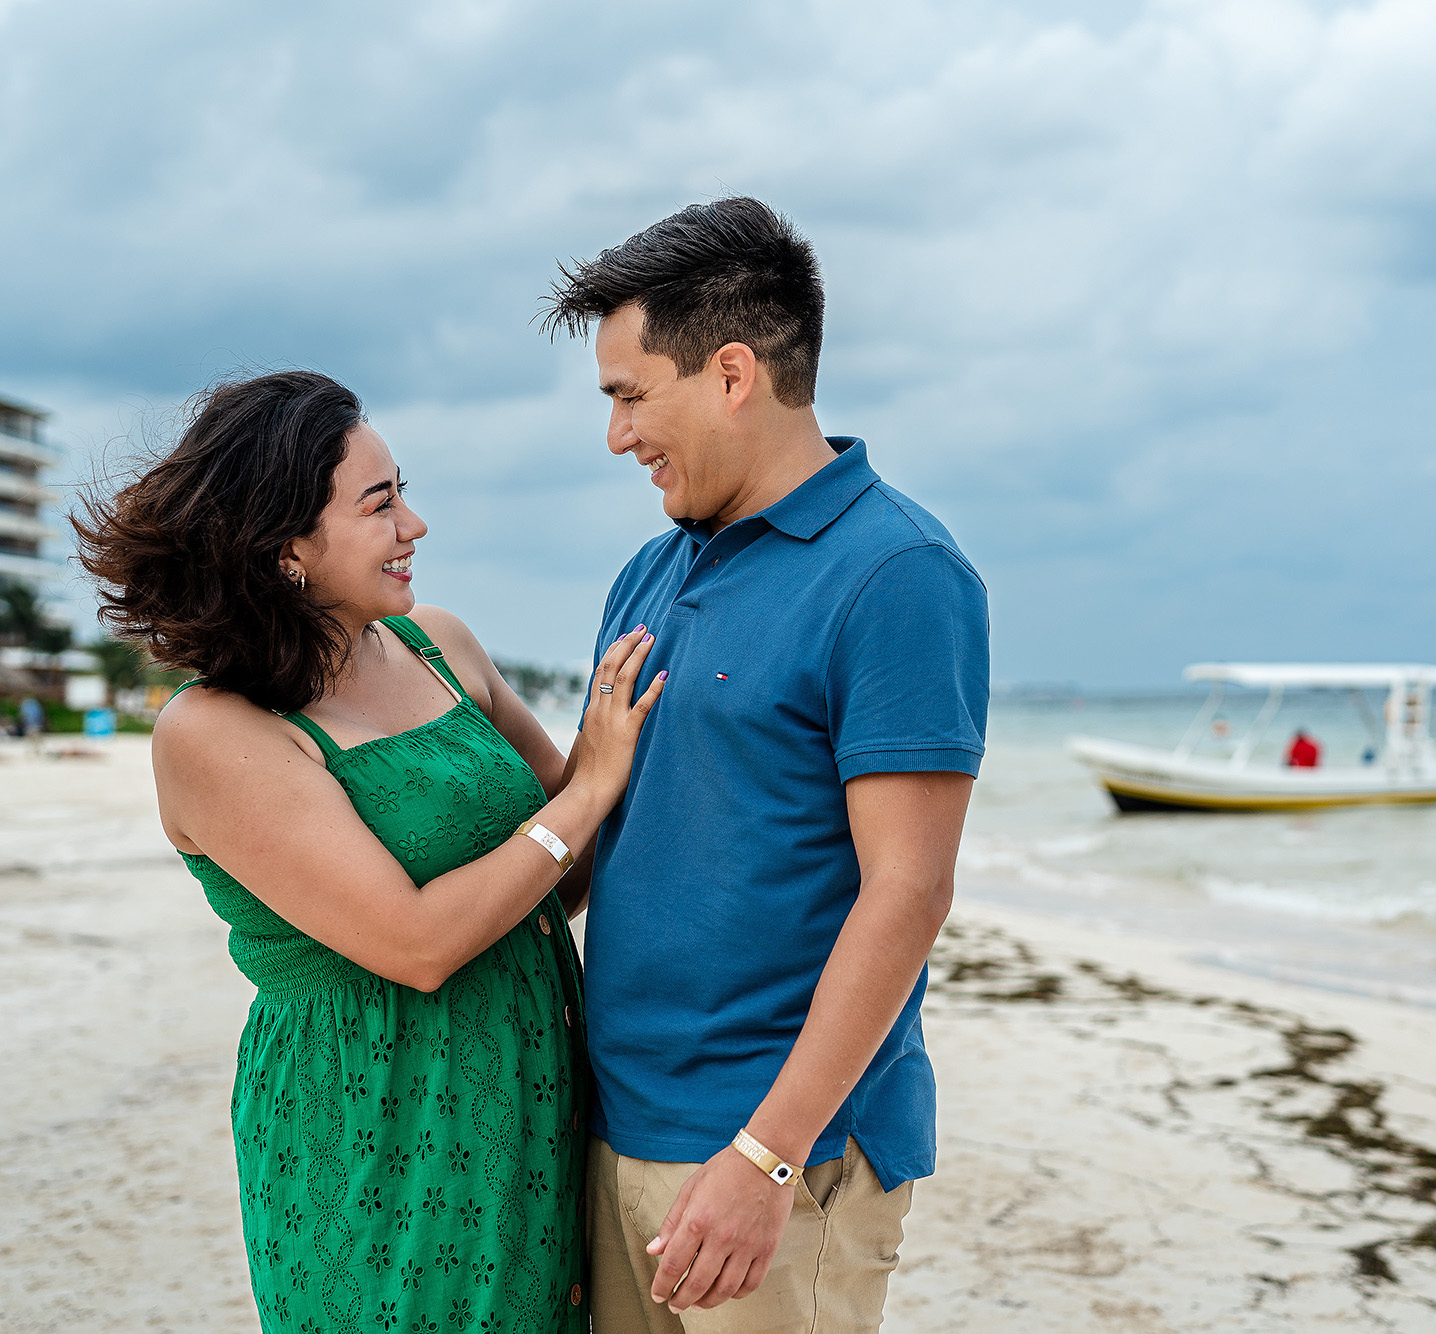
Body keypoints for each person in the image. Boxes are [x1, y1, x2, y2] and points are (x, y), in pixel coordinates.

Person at [72, 371, 666, 1333]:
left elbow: (573, 867)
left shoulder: (442, 646)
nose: (415, 526)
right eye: (381, 503)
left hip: (533, 1087)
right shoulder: (213, 731)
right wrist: (593, 785)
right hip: (373, 1112)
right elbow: (418, 944)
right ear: (287, 547)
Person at [541, 198, 989, 1332]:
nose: (616, 435)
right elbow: (613, 843)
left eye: (629, 395)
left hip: (778, 1159)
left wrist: (764, 1158)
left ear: (731, 373)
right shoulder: (648, 568)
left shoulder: (898, 572)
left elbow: (909, 887)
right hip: (619, 1131)